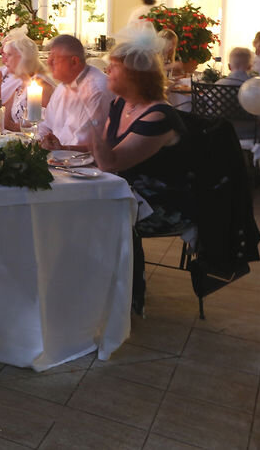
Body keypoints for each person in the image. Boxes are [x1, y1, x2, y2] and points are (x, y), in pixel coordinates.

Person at [86, 24, 190, 315]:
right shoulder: (121, 103)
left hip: (163, 201)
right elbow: (106, 156)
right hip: (126, 190)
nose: (107, 73)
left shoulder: (159, 115)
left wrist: (93, 122)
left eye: (113, 68)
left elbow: (111, 161)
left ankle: (124, 296)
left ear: (133, 75)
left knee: (99, 213)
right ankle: (93, 286)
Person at [38, 34, 112, 151]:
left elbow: (88, 144)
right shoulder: (63, 86)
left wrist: (61, 149)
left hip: (85, 165)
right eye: (49, 56)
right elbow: (47, 125)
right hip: (59, 157)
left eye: (54, 58)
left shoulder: (96, 89)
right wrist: (41, 141)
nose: (48, 62)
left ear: (74, 61)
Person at [3, 34, 55, 130]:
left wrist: (12, 127)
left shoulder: (41, 85)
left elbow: (44, 126)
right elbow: (3, 115)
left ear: (23, 58)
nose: (4, 60)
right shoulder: (22, 82)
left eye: (9, 55)